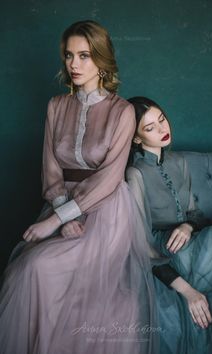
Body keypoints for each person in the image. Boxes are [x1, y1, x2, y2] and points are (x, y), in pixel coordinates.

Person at [0, 22, 157, 354]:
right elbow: (51, 168)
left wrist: (56, 221)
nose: (74, 64)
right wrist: (61, 214)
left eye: (84, 56)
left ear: (101, 60)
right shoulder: (56, 106)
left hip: (107, 214)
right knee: (24, 272)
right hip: (61, 205)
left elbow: (109, 179)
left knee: (38, 267)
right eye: (69, 55)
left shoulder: (122, 111)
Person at [126, 96, 212, 354]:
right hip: (162, 253)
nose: (163, 129)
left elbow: (194, 215)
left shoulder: (179, 163)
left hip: (193, 242)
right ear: (136, 139)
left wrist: (187, 226)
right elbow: (141, 244)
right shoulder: (135, 174)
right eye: (150, 127)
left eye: (161, 119)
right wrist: (188, 292)